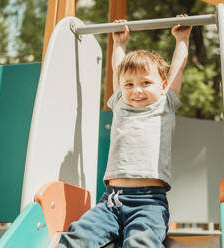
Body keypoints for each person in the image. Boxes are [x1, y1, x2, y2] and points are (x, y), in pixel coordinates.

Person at [57, 16, 192, 248]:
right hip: (110, 201)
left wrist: (182, 39)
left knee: (142, 241)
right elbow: (117, 70)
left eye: (146, 83)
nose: (136, 90)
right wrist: (119, 44)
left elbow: (178, 68)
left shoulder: (164, 104)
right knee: (78, 235)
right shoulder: (121, 104)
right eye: (129, 84)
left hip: (149, 202)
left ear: (162, 86)